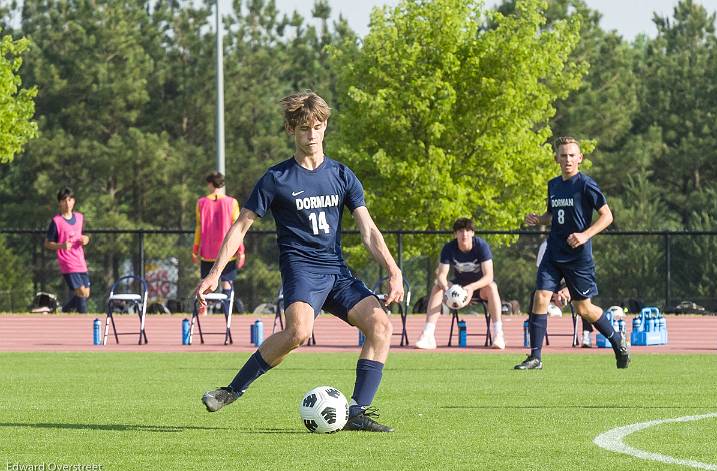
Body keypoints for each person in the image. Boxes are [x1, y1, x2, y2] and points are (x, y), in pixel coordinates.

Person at [195, 91, 403, 432]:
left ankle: (357, 412)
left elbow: (368, 230)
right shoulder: (276, 179)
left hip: (336, 271)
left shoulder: (341, 174)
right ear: (292, 130)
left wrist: (393, 271)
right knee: (298, 332)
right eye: (304, 128)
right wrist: (215, 273)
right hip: (301, 270)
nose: (312, 134)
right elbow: (240, 227)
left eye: (318, 127)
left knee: (381, 326)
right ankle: (232, 390)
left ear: (325, 128)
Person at [515, 137, 630, 370]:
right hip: (553, 252)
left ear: (580, 158)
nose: (567, 159)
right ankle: (535, 357)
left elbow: (607, 217)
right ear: (556, 158)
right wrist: (539, 219)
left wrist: (585, 235)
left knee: (583, 309)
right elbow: (552, 214)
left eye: (571, 155)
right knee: (541, 297)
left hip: (578, 257)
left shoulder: (586, 184)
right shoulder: (553, 185)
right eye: (563, 155)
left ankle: (617, 341)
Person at [415, 218, 506, 350]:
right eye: (461, 231)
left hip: (478, 287)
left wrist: (470, 288)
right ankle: (428, 335)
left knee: (492, 286)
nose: (465, 234)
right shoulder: (449, 248)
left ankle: (498, 334)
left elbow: (489, 276)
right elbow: (441, 275)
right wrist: (447, 289)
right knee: (437, 287)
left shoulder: (481, 246)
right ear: (455, 234)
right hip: (457, 287)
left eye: (468, 231)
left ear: (473, 233)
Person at [192, 171, 245, 315]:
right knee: (227, 283)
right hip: (227, 251)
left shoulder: (201, 203)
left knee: (205, 282)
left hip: (207, 251)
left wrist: (195, 250)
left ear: (210, 184)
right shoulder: (232, 202)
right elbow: (237, 227)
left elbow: (198, 227)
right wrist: (241, 250)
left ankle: (203, 311)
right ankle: (227, 312)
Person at [534, 240, 595, 347]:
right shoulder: (545, 246)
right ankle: (533, 337)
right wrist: (554, 292)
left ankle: (586, 333)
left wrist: (568, 289)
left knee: (584, 299)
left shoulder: (577, 243)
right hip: (552, 285)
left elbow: (580, 275)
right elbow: (543, 274)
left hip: (571, 283)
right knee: (536, 296)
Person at [44, 187, 91, 313]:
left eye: (70, 200)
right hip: (67, 262)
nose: (67, 203)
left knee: (86, 293)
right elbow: (47, 244)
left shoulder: (80, 218)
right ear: (59, 203)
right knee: (80, 292)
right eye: (64, 200)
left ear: (74, 201)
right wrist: (62, 246)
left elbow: (84, 236)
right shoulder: (56, 222)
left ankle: (63, 310)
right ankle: (84, 319)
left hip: (80, 261)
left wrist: (86, 239)